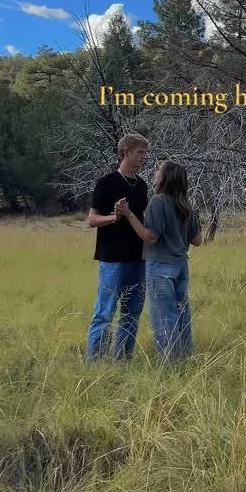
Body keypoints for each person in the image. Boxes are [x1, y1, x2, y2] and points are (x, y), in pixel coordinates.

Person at [116, 161, 202, 362]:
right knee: (181, 314)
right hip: (181, 265)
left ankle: (169, 363)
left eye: (159, 170)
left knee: (163, 317)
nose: (156, 173)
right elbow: (197, 240)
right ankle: (184, 358)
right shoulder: (185, 204)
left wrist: (129, 215)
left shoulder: (157, 201)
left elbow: (151, 237)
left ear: (165, 177)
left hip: (160, 265)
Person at [85, 134, 149, 361]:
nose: (144, 157)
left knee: (132, 314)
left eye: (146, 152)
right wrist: (115, 217)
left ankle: (123, 360)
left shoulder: (142, 186)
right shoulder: (107, 183)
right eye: (140, 152)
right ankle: (96, 363)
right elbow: (92, 220)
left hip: (138, 258)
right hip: (112, 258)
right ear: (125, 152)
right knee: (105, 313)